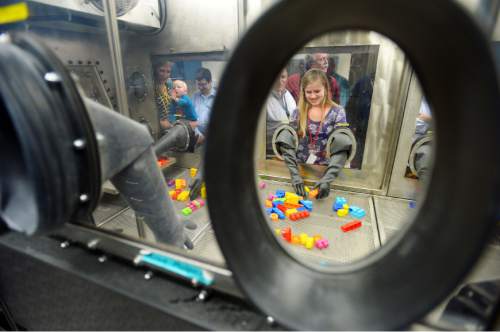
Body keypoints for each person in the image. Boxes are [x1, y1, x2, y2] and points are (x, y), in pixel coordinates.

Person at [277, 69, 351, 199]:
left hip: (326, 171)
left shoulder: (338, 112)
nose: (312, 96)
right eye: (308, 92)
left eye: (317, 91)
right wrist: (295, 175)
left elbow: (342, 145)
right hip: (300, 170)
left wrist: (327, 179)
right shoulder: (297, 112)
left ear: (326, 90)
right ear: (303, 92)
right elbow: (286, 140)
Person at [266, 68, 297, 155]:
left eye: (283, 77)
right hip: (270, 151)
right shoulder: (264, 99)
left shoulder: (287, 94)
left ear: (287, 78)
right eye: (276, 78)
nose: (280, 81)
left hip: (288, 148)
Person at [192, 67, 216, 143]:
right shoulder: (195, 96)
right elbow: (190, 117)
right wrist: (198, 134)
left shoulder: (218, 97)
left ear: (210, 82)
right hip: (196, 135)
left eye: (203, 84)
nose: (200, 87)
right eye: (198, 84)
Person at [153, 60, 174, 133]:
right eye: (162, 70)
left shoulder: (169, 83)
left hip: (167, 123)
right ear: (155, 70)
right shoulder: (152, 85)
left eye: (168, 72)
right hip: (156, 126)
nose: (165, 75)